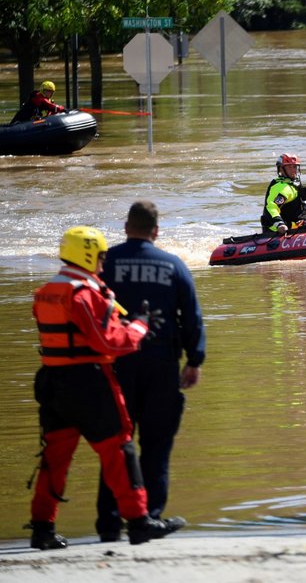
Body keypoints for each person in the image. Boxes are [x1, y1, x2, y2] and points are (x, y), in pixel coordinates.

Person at [27, 226, 182, 550]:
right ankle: (139, 522)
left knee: (54, 458)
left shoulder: (46, 291)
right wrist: (139, 326)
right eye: (99, 257)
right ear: (87, 254)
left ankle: (42, 528)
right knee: (119, 450)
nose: (102, 263)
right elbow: (109, 341)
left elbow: (77, 334)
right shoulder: (84, 293)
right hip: (89, 384)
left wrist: (123, 322)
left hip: (53, 384)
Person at [95, 201, 206, 543]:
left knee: (116, 445)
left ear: (126, 227)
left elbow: (88, 308)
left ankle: (110, 522)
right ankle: (148, 518)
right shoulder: (173, 265)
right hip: (161, 366)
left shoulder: (105, 263)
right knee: (156, 445)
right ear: (156, 231)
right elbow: (191, 316)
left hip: (115, 366)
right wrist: (194, 360)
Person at [260, 153, 306, 234]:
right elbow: (271, 207)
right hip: (279, 232)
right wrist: (280, 224)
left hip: (298, 227)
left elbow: (300, 210)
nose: (293, 170)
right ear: (281, 169)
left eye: (294, 167)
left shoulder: (295, 185)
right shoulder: (280, 187)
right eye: (289, 167)